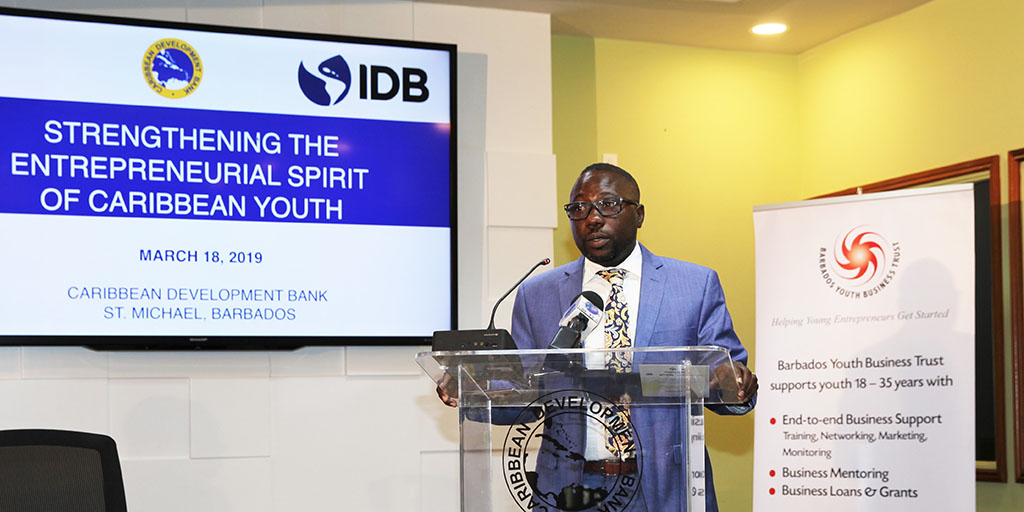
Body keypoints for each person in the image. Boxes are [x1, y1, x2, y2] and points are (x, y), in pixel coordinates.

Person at [438, 163, 756, 511]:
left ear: (640, 214)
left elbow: (725, 378)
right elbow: (524, 394)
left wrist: (733, 381)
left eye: (609, 204)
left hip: (666, 487)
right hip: (571, 489)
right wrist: (470, 388)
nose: (592, 218)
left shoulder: (694, 285)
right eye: (579, 208)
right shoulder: (538, 294)